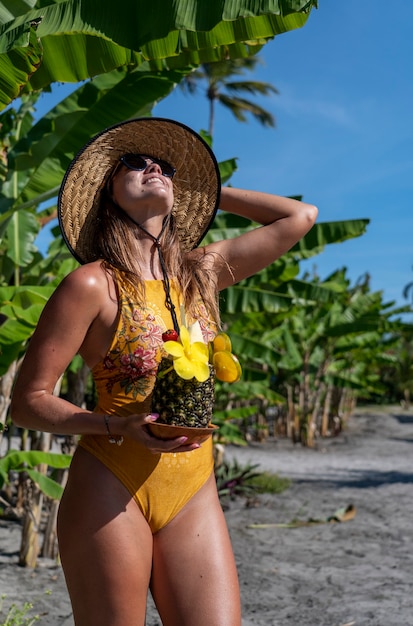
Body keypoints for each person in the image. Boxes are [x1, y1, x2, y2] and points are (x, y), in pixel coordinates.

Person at [11, 117, 318, 626]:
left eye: (165, 167)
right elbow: (29, 402)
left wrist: (205, 191)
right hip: (112, 481)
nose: (153, 167)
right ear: (108, 194)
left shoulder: (202, 273)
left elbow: (299, 217)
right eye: (134, 164)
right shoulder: (91, 286)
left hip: (194, 488)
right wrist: (118, 425)